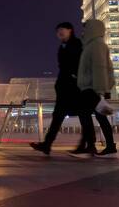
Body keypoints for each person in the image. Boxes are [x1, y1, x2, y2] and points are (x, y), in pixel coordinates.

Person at [30, 22, 93, 155]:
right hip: (65, 88)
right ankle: (47, 144)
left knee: (83, 115)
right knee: (59, 116)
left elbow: (80, 64)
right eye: (58, 31)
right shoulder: (62, 47)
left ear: (70, 30)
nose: (59, 33)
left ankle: (87, 144)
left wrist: (75, 76)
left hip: (76, 88)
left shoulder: (77, 44)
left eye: (62, 30)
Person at [69, 19, 117, 158]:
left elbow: (100, 69)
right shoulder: (92, 45)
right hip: (90, 87)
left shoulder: (96, 45)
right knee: (95, 116)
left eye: (86, 28)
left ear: (93, 29)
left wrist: (101, 91)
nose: (84, 31)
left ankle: (95, 145)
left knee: (89, 115)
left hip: (93, 88)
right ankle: (100, 145)